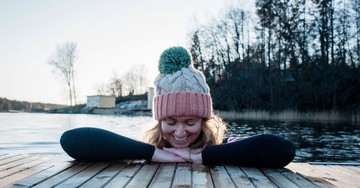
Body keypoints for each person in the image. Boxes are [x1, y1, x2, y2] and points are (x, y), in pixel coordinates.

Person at [60, 46, 295, 167]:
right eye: (171, 122)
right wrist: (154, 154)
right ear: (159, 120)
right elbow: (72, 141)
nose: (180, 133)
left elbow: (282, 150)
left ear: (203, 121)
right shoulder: (148, 147)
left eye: (191, 122)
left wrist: (202, 156)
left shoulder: (223, 146)